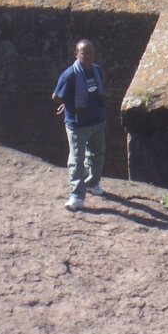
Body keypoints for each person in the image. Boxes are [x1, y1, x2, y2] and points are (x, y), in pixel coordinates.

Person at [52, 39, 107, 211]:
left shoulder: (96, 70)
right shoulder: (70, 75)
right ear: (76, 54)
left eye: (91, 53)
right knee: (77, 159)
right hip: (77, 124)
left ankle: (91, 183)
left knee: (97, 154)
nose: (88, 56)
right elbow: (56, 95)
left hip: (97, 121)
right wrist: (69, 104)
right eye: (84, 53)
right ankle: (76, 196)